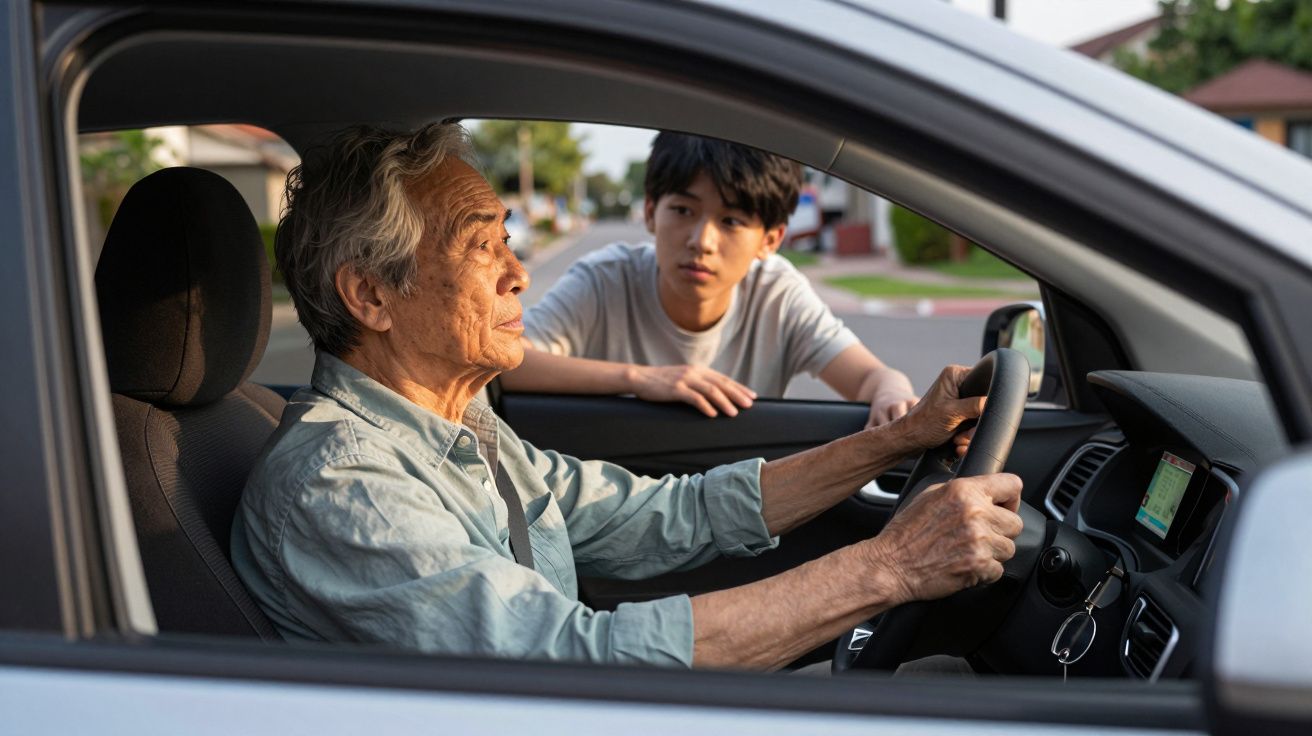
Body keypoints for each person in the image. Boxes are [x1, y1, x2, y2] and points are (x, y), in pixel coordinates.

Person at [231, 123, 1024, 671]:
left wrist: (897, 437)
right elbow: (568, 661)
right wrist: (892, 566)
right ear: (371, 294)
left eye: (509, 239)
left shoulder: (462, 429)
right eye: (483, 246)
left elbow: (664, 516)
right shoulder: (338, 487)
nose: (518, 272)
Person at [502, 132, 918, 427]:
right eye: (683, 211)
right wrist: (641, 379)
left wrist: (893, 397)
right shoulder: (606, 280)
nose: (702, 241)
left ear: (770, 239)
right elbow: (505, 361)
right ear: (650, 212)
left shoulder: (776, 294)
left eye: (732, 221)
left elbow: (872, 378)